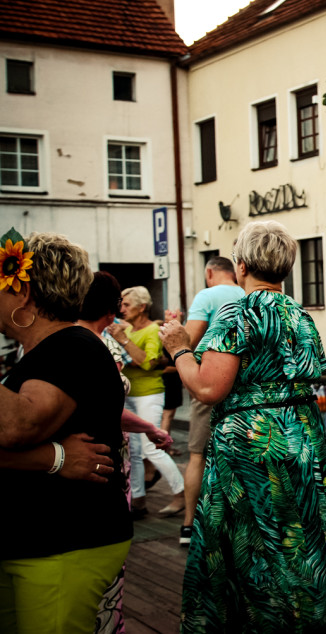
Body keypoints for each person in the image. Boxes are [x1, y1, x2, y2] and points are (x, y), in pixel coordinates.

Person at [159, 220, 326, 632]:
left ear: (243, 265)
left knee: (255, 545)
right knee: (299, 537)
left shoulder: (239, 312)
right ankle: (301, 618)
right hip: (302, 439)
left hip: (253, 445)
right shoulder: (298, 314)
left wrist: (179, 347)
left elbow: (208, 387)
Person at [0, 230, 131, 633]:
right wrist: (55, 458)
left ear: (23, 294)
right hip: (33, 540)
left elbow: (16, 426)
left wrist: (48, 458)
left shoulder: (74, 346)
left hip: (63, 540)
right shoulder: (44, 352)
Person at [79, 270, 174, 634]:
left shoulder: (103, 339)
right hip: (96, 458)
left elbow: (143, 370)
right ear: (111, 307)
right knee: (99, 557)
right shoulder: (92, 344)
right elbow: (104, 405)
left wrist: (149, 428)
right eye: (120, 302)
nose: (123, 308)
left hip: (109, 451)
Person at [165, 256, 244, 546]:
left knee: (197, 454)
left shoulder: (207, 295)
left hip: (208, 380)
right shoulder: (246, 293)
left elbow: (189, 340)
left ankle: (189, 525)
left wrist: (173, 330)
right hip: (240, 387)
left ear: (209, 272)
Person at [108, 285, 185, 517]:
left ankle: (181, 494)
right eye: (121, 304)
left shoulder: (151, 330)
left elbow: (149, 363)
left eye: (127, 305)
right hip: (130, 395)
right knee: (133, 451)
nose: (122, 309)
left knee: (153, 448)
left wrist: (123, 341)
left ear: (142, 307)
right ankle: (138, 499)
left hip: (149, 394)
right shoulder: (128, 328)